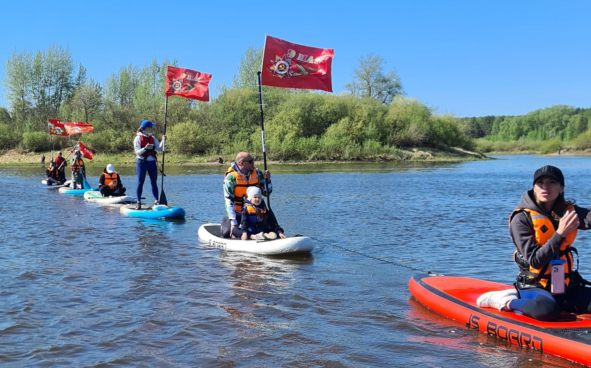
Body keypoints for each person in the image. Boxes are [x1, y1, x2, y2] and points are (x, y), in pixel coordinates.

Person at [477, 165, 591, 321]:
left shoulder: (569, 212)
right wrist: (560, 233)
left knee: (560, 305)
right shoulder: (521, 218)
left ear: (561, 188)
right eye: (540, 183)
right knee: (546, 310)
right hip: (534, 286)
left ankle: (564, 304)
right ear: (534, 188)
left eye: (551, 182)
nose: (545, 187)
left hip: (565, 286)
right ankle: (507, 300)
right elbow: (535, 260)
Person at [221, 151, 272, 238]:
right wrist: (233, 222)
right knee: (226, 233)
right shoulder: (231, 178)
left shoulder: (258, 173)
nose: (253, 163)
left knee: (269, 227)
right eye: (250, 162)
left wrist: (268, 181)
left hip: (256, 212)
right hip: (238, 213)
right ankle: (231, 226)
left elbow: (266, 193)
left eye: (253, 161)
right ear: (241, 163)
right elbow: (228, 201)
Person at [134, 119, 165, 209]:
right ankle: (138, 202)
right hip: (141, 162)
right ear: (145, 128)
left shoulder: (152, 138)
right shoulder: (137, 138)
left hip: (151, 162)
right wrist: (145, 148)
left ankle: (156, 201)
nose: (152, 129)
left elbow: (160, 149)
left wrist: (163, 140)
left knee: (154, 182)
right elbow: (137, 152)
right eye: (150, 127)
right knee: (140, 182)